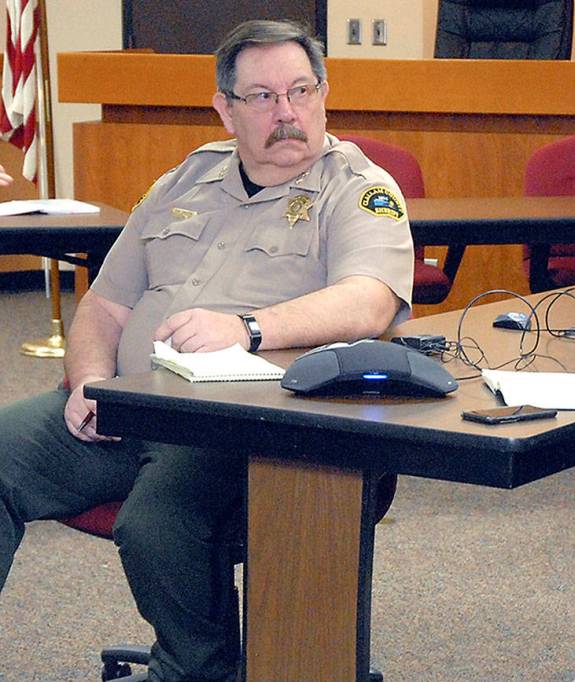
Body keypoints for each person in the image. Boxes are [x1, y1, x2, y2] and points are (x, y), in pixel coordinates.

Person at [0, 19, 413, 681]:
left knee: (157, 524)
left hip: (235, 425)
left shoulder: (357, 189)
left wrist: (249, 328)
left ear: (324, 94)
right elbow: (104, 305)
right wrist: (89, 381)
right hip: (122, 405)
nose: (287, 111)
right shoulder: (183, 181)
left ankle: (195, 670)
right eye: (263, 97)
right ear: (225, 109)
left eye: (301, 90)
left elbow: (370, 301)